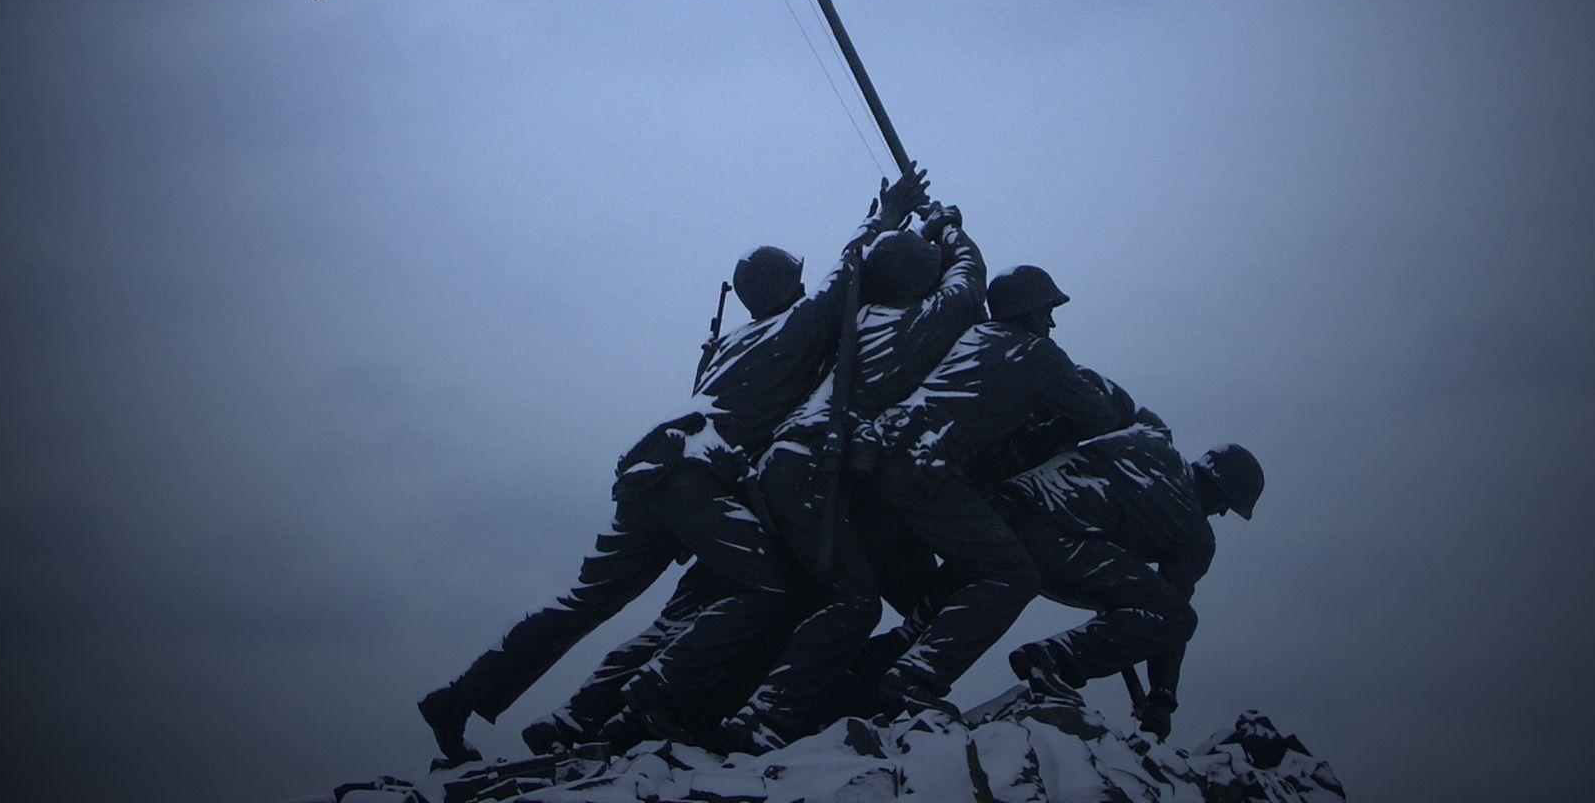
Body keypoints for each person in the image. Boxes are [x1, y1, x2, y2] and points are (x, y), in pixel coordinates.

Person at [416, 170, 928, 767]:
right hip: (693, 474)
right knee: (768, 587)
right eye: (796, 276)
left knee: (586, 601)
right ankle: (655, 692)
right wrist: (888, 215)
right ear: (787, 284)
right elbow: (848, 273)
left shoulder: (731, 345)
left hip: (651, 470)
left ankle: (460, 697)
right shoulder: (795, 327)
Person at [719, 202, 985, 750]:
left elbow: (853, 272)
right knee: (855, 601)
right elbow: (968, 283)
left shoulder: (852, 318)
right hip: (814, 467)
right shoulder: (920, 323)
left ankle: (847, 691)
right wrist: (950, 230)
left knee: (892, 591)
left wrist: (892, 231)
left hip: (798, 468)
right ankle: (765, 716)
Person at [854, 264, 1135, 717]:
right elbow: (1097, 415)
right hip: (924, 471)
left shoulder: (974, 338)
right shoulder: (1035, 355)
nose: (1052, 321)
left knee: (940, 591)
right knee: (1014, 575)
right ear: (1027, 311)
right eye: (1047, 310)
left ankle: (868, 671)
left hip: (890, 463)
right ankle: (913, 678)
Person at [993, 411, 1263, 741]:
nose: (1221, 512)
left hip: (1004, 509)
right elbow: (1170, 618)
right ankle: (1052, 659)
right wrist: (1162, 697)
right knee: (1178, 617)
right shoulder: (1196, 536)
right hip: (1057, 542)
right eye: (1227, 504)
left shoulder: (1151, 437)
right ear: (1219, 488)